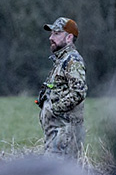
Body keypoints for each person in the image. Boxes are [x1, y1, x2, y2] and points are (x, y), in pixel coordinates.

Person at [37, 17, 87, 159]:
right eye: (51, 33)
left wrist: (54, 109)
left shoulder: (72, 60)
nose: (51, 38)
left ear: (69, 37)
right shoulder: (61, 61)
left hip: (64, 134)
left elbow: (78, 92)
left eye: (56, 33)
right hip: (56, 134)